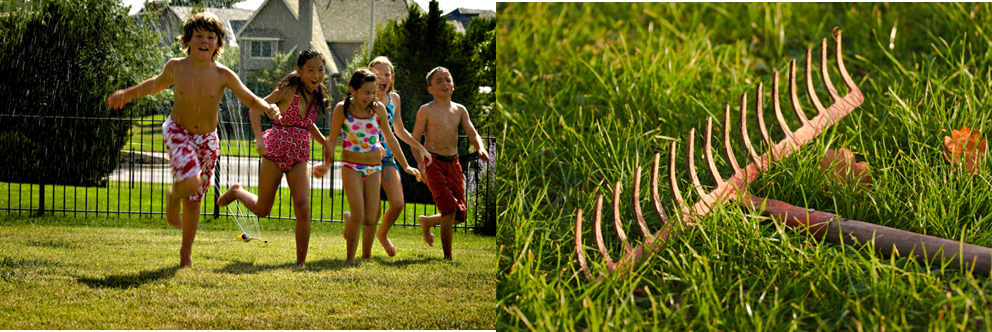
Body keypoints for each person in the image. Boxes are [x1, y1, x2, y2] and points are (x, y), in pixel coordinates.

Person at [105, 12, 280, 267]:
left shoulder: (223, 74)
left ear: (219, 44)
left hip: (208, 139)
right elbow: (154, 85)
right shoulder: (176, 67)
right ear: (187, 40)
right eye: (199, 35)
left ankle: (185, 253)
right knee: (190, 181)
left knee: (195, 198)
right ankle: (173, 195)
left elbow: (250, 98)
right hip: (178, 130)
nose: (204, 41)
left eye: (211, 37)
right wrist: (127, 94)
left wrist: (268, 108)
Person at [216, 49, 331, 267]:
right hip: (274, 152)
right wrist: (259, 139)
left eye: (320, 69)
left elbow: (306, 122)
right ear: (299, 71)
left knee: (303, 207)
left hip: (299, 156)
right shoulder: (289, 89)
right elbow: (254, 108)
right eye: (310, 70)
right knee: (262, 210)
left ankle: (300, 263)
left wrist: (324, 142)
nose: (316, 74)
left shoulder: (316, 94)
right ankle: (237, 191)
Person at [318, 68, 423, 263]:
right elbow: (332, 139)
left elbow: (391, 139)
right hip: (352, 166)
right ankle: (350, 259)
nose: (371, 97)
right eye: (367, 92)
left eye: (373, 92)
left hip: (374, 167)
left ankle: (365, 256)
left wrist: (406, 166)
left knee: (370, 219)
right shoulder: (343, 109)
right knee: (359, 214)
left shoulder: (378, 109)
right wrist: (326, 164)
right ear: (352, 89)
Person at [411, 67, 490, 260]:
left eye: (447, 80)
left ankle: (428, 222)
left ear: (453, 85)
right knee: (448, 208)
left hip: (454, 163)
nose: (444, 83)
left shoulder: (460, 110)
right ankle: (448, 257)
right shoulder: (426, 110)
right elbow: (414, 140)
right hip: (433, 162)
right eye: (439, 81)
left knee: (459, 215)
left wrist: (480, 147)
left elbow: (472, 132)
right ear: (430, 89)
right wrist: (421, 163)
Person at [364, 56, 432, 258]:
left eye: (386, 74)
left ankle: (382, 234)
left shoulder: (394, 100)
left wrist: (418, 148)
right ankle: (359, 239)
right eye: (378, 75)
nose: (383, 78)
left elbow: (398, 130)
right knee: (373, 212)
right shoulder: (365, 98)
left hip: (388, 159)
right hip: (368, 158)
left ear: (392, 78)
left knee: (398, 203)